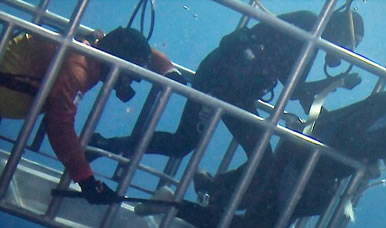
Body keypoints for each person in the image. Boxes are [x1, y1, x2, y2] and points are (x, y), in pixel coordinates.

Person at [140, 88, 386, 228]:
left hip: (308, 162)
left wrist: (375, 160)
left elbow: (361, 134)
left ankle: (217, 190)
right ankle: (173, 205)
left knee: (267, 214)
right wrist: (373, 163)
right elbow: (351, 135)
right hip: (305, 162)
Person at [88, 7, 365, 166]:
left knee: (260, 155)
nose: (345, 51)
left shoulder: (311, 39)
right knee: (183, 142)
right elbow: (295, 89)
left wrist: (335, 83)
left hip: (238, 92)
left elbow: (295, 90)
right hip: (220, 82)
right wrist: (334, 81)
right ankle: (102, 145)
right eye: (348, 43)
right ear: (339, 29)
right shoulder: (308, 26)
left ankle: (216, 199)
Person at [0, 26, 179, 204]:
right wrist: (87, 181)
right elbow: (59, 126)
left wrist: (170, 71)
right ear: (116, 61)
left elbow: (136, 46)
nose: (128, 82)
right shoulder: (79, 69)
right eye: (129, 74)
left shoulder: (97, 47)